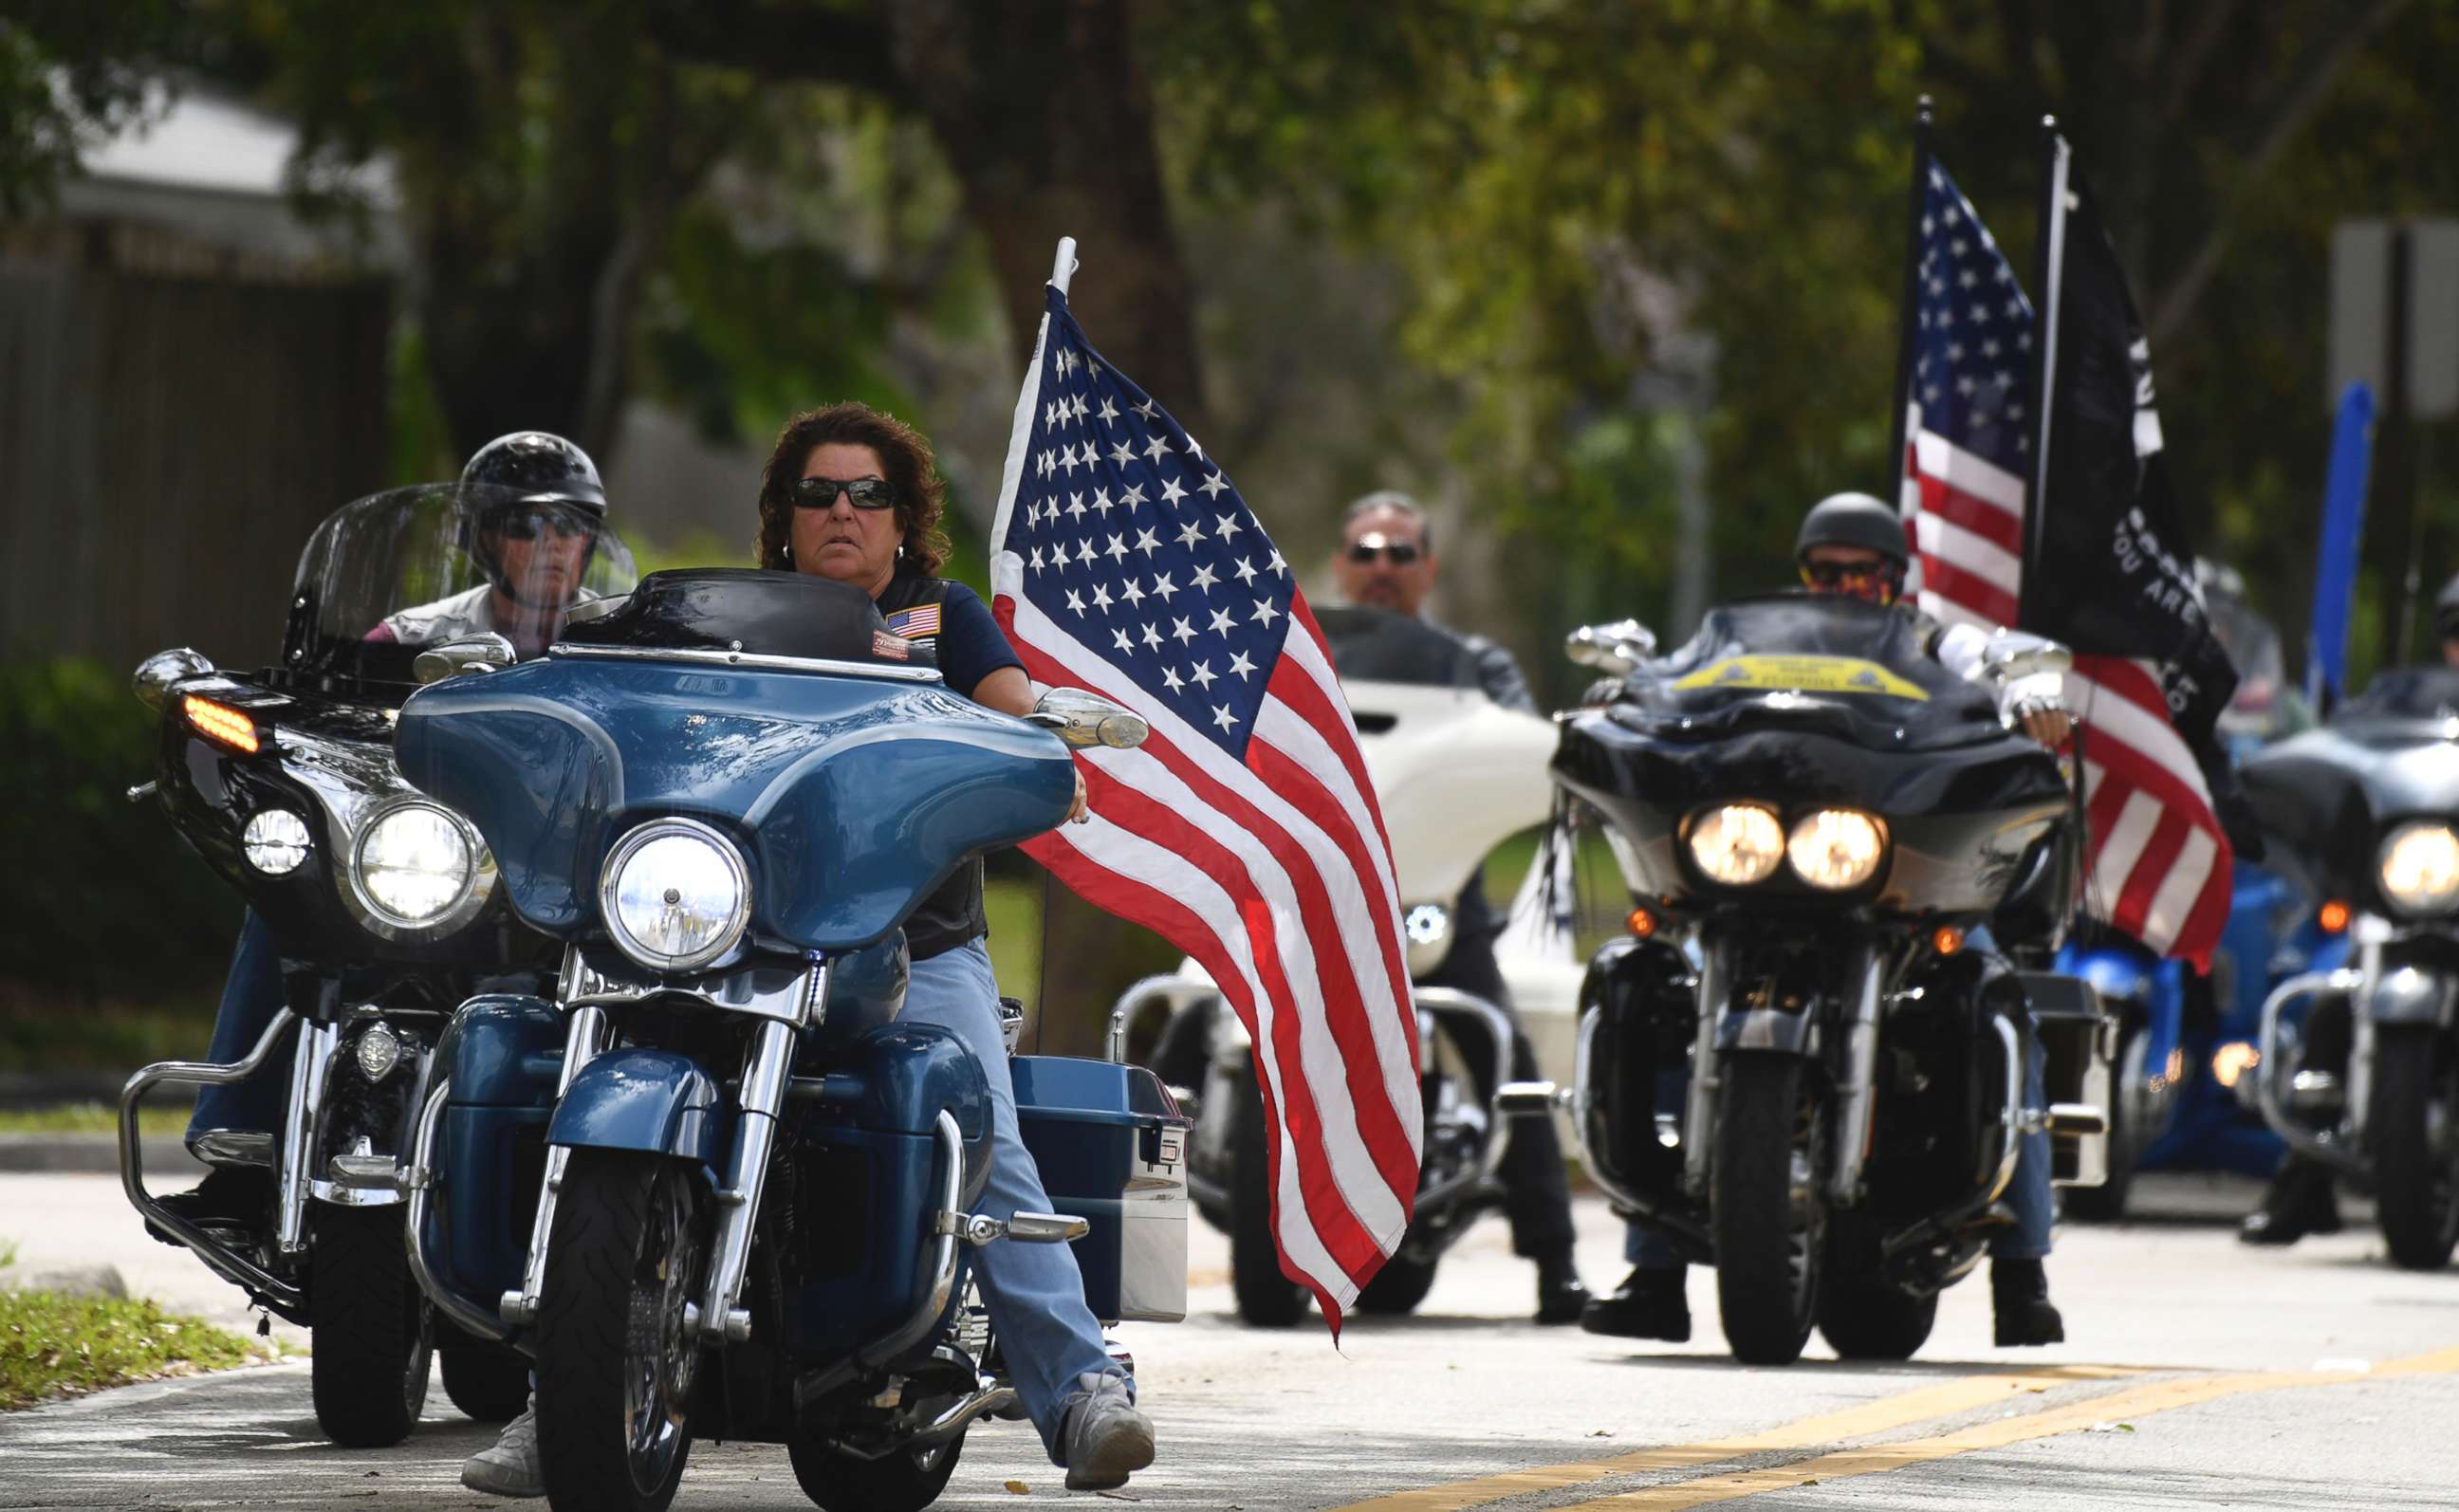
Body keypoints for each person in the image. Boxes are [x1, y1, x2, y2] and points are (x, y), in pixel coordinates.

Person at [470, 401, 1151, 1497]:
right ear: (783, 517)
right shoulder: (716, 619)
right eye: (819, 493)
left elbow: (1011, 705)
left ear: (903, 518)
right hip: (722, 930)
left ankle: (1081, 1391)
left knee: (980, 1128)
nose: (843, 511)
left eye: (868, 494)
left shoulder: (945, 617)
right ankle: (564, 1402)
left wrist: (1045, 728)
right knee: (566, 1080)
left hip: (908, 938)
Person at [1580, 491, 2072, 1348]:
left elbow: (1997, 658)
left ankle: (2021, 1270)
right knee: (1660, 996)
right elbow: (1674, 677)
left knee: (1999, 1005)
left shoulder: (1933, 640)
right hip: (1763, 868)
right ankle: (1653, 1270)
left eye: (1863, 573)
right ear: (1804, 572)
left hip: (1892, 883)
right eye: (1826, 570)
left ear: (1894, 578)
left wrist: (2028, 683)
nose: (1842, 586)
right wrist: (1626, 688)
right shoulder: (1744, 642)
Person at [156, 433, 614, 1241]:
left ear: (591, 539)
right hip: (419, 861)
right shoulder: (409, 638)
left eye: (569, 527)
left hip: (549, 873)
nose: (549, 547)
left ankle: (604, 1176)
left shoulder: (612, 643)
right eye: (523, 526)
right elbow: (324, 726)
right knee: (283, 902)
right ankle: (242, 1151)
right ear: (483, 540)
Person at [1329, 490, 1590, 1325]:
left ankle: (1558, 1263)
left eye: (1400, 554)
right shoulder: (1304, 655)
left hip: (1434, 901)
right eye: (1366, 551)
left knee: (1503, 1052)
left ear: (1428, 570)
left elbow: (1517, 749)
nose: (1381, 567)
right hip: (1314, 896)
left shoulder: (1475, 665)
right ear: (1342, 564)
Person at [2239, 570, 2459, 1245]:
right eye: (2458, 633)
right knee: (2335, 999)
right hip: (2417, 892)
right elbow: (2349, 742)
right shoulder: (2408, 698)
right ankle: (2304, 1179)